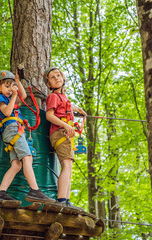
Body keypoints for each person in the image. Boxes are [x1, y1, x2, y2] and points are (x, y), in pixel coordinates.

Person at [0, 70, 55, 203]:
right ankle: (35, 191)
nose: (10, 89)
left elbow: (24, 95)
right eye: (6, 86)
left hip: (15, 130)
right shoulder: (0, 98)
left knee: (16, 164)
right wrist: (14, 95)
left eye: (11, 86)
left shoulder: (9, 99)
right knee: (27, 157)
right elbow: (7, 112)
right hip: (12, 129)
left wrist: (18, 82)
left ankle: (0, 192)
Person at [43, 67, 87, 207]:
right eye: (53, 77)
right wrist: (66, 126)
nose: (57, 78)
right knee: (66, 165)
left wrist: (78, 110)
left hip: (65, 133)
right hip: (60, 132)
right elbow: (49, 115)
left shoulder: (63, 97)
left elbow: (67, 104)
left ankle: (66, 200)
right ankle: (62, 199)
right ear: (49, 84)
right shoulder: (53, 97)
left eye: (58, 75)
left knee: (69, 165)